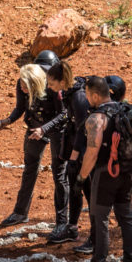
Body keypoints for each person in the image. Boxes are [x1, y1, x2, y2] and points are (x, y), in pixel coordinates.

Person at [75, 76, 132, 262]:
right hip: (127, 172)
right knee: (125, 215)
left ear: (95, 95)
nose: (86, 99)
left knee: (100, 218)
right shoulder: (125, 110)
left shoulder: (96, 119)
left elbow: (92, 153)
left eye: (87, 95)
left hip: (105, 174)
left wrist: (81, 177)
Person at [0, 62, 68, 232]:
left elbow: (63, 114)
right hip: (35, 126)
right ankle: (20, 212)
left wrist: (44, 129)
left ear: (36, 84)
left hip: (55, 129)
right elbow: (20, 108)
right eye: (21, 84)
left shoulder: (52, 87)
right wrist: (8, 120)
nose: (22, 88)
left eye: (26, 86)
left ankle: (62, 221)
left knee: (59, 174)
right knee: (30, 167)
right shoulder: (21, 84)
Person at [45, 60, 90, 246]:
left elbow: (83, 130)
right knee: (74, 187)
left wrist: (74, 156)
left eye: (51, 83)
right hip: (75, 145)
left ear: (62, 81)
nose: (49, 87)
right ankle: (71, 227)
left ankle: (86, 233)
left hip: (84, 151)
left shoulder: (78, 97)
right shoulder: (69, 93)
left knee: (83, 188)